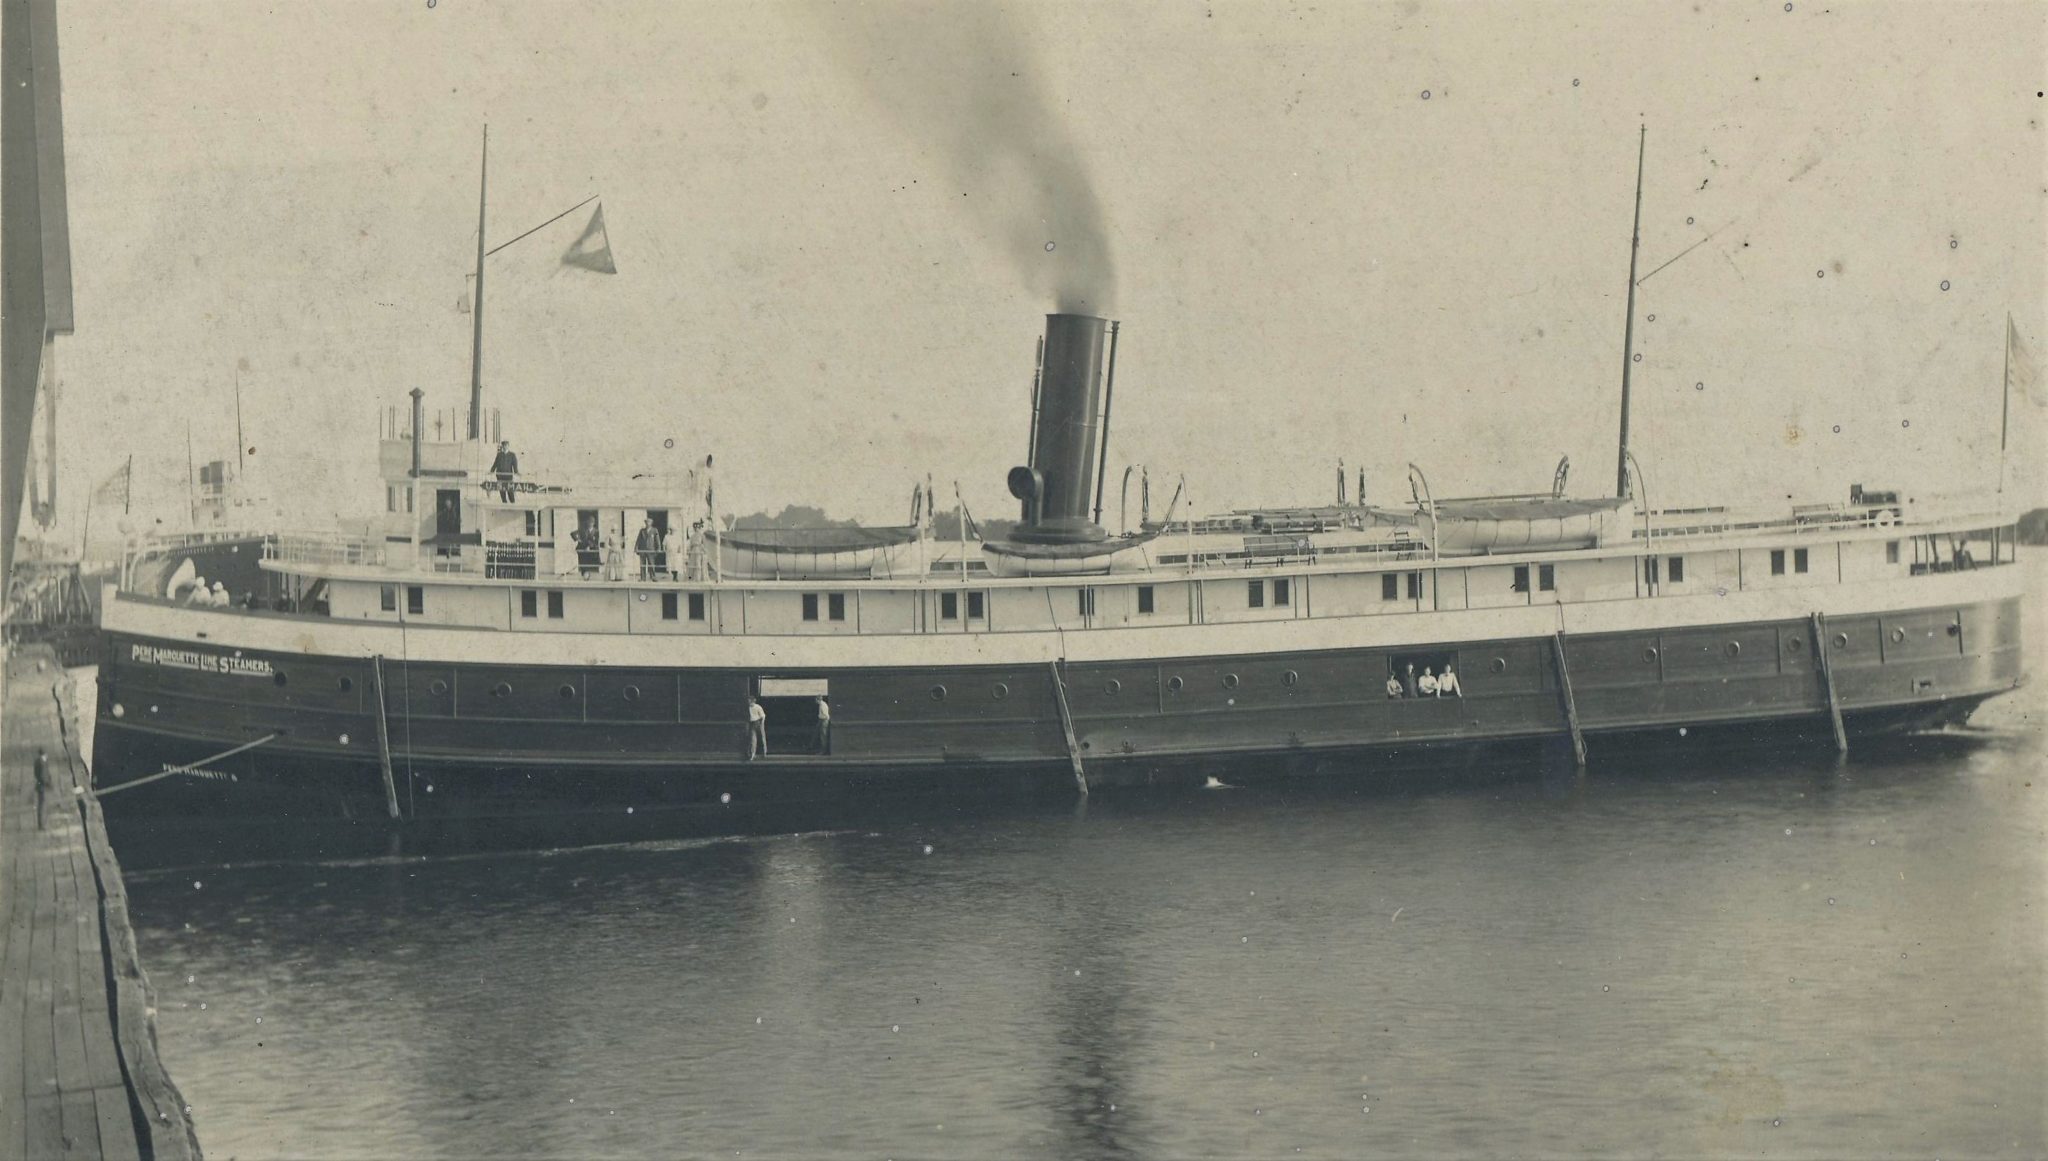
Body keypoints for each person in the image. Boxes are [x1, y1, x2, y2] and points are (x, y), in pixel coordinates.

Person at [33, 747, 49, 830]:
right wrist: (47, 783)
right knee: (41, 805)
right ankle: (41, 825)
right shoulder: (42, 762)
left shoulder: (37, 761)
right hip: (41, 786)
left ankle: (41, 824)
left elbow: (36, 773)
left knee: (41, 804)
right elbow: (43, 775)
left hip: (39, 784)